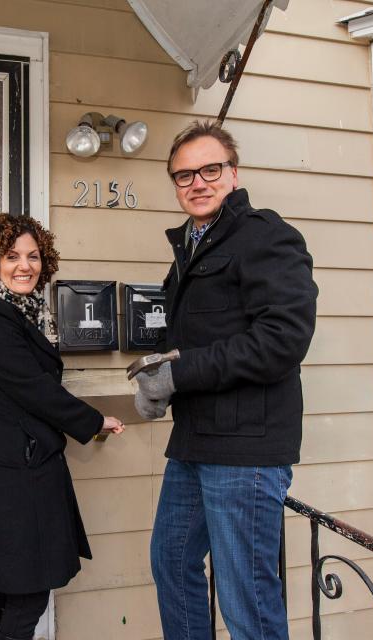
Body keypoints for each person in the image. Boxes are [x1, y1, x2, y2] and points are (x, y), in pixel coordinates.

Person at [133, 121, 318, 640]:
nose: (197, 182)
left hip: (245, 451)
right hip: (195, 441)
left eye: (209, 169)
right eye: (184, 174)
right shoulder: (193, 247)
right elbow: (196, 335)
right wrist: (154, 372)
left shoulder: (264, 235)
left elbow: (283, 339)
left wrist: (177, 374)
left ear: (232, 173)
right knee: (171, 561)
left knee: (245, 599)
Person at [0, 213, 125, 640]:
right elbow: (33, 389)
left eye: (33, 256)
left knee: (4, 585)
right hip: (13, 474)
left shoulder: (24, 315)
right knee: (26, 590)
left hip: (15, 466)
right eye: (11, 256)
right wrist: (93, 420)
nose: (24, 266)